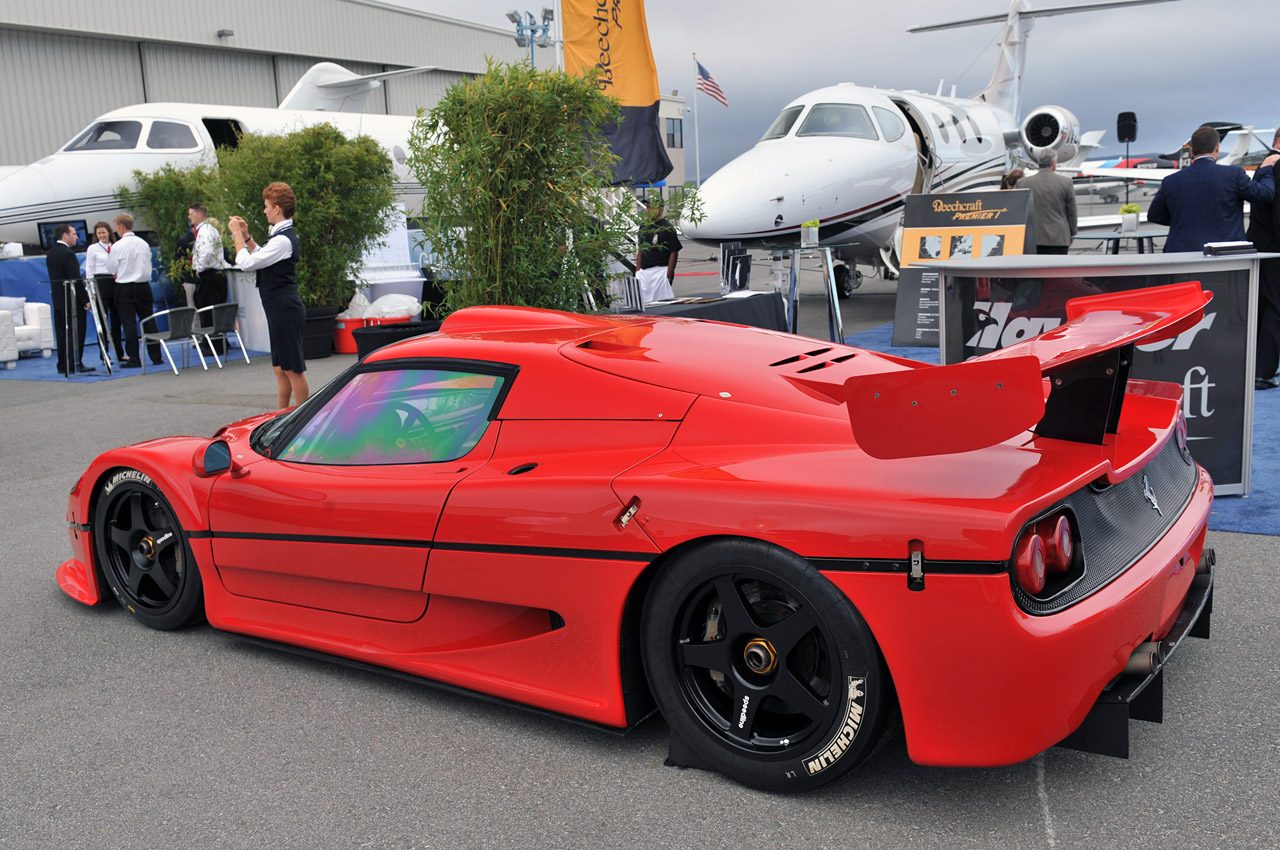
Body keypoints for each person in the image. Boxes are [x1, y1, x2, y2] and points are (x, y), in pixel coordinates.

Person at [229, 182, 309, 408]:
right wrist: (246, 237)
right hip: (278, 309)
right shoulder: (279, 238)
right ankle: (281, 416)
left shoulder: (283, 240)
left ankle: (304, 419)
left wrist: (236, 235)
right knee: (280, 369)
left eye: (266, 206)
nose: (264, 211)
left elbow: (246, 263)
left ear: (276, 208)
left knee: (293, 369)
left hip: (285, 309)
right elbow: (263, 256)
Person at [1148, 125, 1279, 253]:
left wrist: (1185, 221)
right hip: (1226, 252)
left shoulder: (1170, 181)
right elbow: (1265, 194)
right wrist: (1266, 168)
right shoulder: (1233, 174)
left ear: (1192, 151)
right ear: (1217, 147)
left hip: (1181, 253)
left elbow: (1154, 215)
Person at [1247, 128, 1280, 389]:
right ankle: (1263, 371)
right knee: (1274, 309)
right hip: (1274, 248)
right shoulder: (1276, 164)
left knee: (1264, 306)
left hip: (1261, 245)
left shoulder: (1265, 164)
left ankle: (1256, 368)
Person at [111, 213, 160, 368]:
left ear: (120, 226)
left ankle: (134, 358)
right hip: (144, 285)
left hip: (125, 286)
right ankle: (156, 356)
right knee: (149, 321)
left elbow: (111, 268)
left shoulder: (118, 246)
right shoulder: (143, 243)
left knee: (129, 323)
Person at [45, 223, 94, 374]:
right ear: (65, 235)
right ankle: (74, 363)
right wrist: (85, 300)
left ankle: (63, 364)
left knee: (62, 334)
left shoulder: (51, 253)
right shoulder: (68, 254)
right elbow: (75, 279)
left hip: (59, 300)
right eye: (74, 234)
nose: (77, 237)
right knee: (76, 332)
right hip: (72, 301)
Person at [1016, 152, 1077, 254]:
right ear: (1053, 163)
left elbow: (1018, 211)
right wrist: (1072, 233)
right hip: (1059, 239)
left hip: (1032, 239)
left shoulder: (1022, 183)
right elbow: (1072, 212)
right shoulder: (1066, 182)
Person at [189, 203, 229, 354]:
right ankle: (217, 342)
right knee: (214, 310)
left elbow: (206, 252)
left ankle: (213, 345)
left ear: (200, 214)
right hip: (215, 274)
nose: (189, 217)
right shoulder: (209, 230)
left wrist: (199, 268)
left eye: (191, 214)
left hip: (209, 274)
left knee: (208, 311)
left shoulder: (205, 231)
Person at [84, 220, 122, 361]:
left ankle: (120, 352)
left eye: (104, 232)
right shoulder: (92, 248)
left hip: (115, 282)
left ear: (109, 232)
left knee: (117, 321)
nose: (101, 235)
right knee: (102, 319)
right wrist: (91, 291)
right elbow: (89, 269)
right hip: (100, 284)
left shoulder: (116, 246)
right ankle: (104, 354)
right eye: (99, 233)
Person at [635, 197, 681, 304]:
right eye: (647, 207)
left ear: (660, 209)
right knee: (645, 305)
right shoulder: (643, 227)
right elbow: (640, 249)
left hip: (661, 271)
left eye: (650, 208)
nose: (647, 210)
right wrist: (637, 271)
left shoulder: (667, 228)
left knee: (661, 305)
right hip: (644, 273)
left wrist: (668, 275)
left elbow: (674, 252)